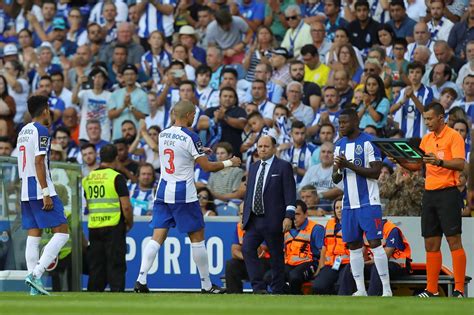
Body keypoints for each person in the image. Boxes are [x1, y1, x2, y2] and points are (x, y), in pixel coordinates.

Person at [134, 100, 241, 293]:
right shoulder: (191, 136)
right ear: (189, 115)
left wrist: (200, 152)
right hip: (183, 192)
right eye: (194, 115)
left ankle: (140, 280)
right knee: (197, 236)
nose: (195, 118)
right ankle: (206, 285)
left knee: (157, 236)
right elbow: (207, 167)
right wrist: (229, 162)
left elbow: (178, 153)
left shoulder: (163, 134)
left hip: (163, 191)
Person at [399, 102, 466, 298]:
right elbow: (417, 165)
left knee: (454, 241)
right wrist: (401, 161)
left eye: (429, 118)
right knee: (430, 243)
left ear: (440, 118)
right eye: (425, 118)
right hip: (429, 195)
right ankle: (432, 289)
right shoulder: (426, 139)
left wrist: (439, 162)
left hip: (448, 193)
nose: (427, 122)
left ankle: (459, 289)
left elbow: (461, 164)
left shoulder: (454, 136)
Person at [332, 108, 392, 297]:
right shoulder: (339, 145)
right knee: (353, 245)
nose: (341, 126)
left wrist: (348, 165)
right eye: (339, 123)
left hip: (369, 201)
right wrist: (338, 169)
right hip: (349, 203)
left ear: (355, 122)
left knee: (375, 243)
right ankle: (360, 290)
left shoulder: (369, 142)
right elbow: (335, 178)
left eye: (344, 122)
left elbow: (375, 172)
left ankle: (386, 289)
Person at [17, 95, 69, 295]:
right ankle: (36, 274)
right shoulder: (42, 130)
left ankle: (33, 287)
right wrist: (46, 192)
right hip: (40, 188)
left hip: (25, 189)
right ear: (46, 109)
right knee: (62, 232)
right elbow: (39, 161)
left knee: (34, 234)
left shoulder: (23, 131)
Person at [242, 135, 296, 294]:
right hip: (254, 219)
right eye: (260, 147)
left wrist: (289, 216)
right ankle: (258, 288)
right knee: (247, 249)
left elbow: (290, 193)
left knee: (276, 257)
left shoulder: (283, 166)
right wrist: (245, 212)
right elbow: (250, 193)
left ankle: (278, 289)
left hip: (274, 219)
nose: (262, 149)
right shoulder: (253, 167)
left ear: (274, 148)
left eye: (266, 146)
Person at [83, 144, 133, 292]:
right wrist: (129, 222)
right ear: (116, 158)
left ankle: (93, 298)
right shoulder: (116, 177)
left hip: (94, 226)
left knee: (96, 266)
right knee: (115, 264)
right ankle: (117, 294)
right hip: (113, 225)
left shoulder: (88, 178)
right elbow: (126, 206)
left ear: (100, 157)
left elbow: (89, 201)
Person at [338, 219, 412, 296]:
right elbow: (363, 256)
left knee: (378, 266)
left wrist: (363, 263)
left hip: (397, 265)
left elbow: (384, 257)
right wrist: (358, 263)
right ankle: (344, 297)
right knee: (351, 266)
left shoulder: (391, 229)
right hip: (375, 264)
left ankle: (373, 297)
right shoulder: (365, 229)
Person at [225, 204, 270, 293]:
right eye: (241, 214)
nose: (244, 217)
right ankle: (234, 296)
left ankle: (260, 291)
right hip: (247, 260)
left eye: (246, 214)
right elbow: (234, 252)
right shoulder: (239, 227)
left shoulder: (263, 226)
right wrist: (247, 257)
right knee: (231, 264)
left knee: (261, 263)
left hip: (263, 261)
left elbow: (260, 251)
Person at [282, 200, 324, 294]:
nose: (294, 218)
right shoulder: (286, 228)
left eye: (297, 214)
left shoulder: (316, 229)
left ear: (306, 214)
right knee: (270, 276)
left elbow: (323, 252)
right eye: (292, 214)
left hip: (309, 263)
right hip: (290, 264)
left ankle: (295, 299)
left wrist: (319, 272)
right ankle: (289, 295)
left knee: (294, 276)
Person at [312, 198, 350, 295]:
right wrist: (321, 267)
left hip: (348, 263)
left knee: (341, 287)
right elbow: (324, 247)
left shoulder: (353, 224)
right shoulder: (329, 224)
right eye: (337, 208)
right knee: (317, 286)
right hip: (332, 263)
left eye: (342, 207)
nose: (339, 210)